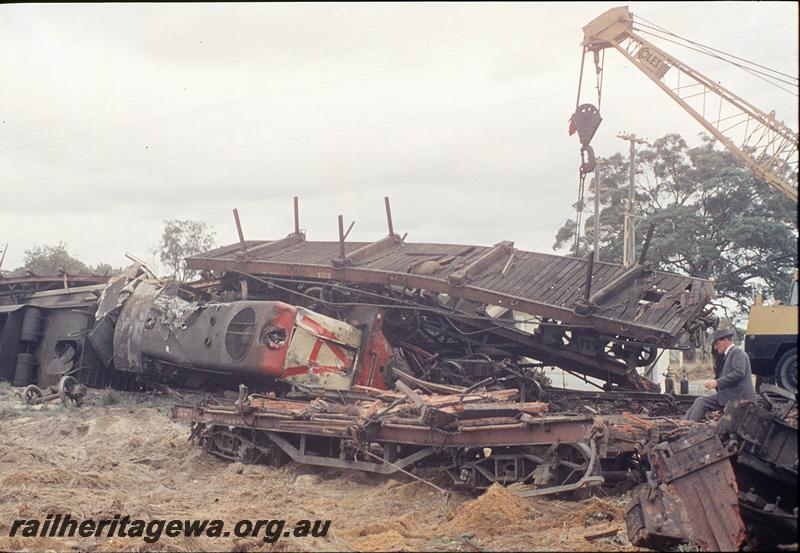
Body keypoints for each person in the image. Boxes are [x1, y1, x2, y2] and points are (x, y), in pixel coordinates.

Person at [684, 328, 755, 422]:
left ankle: (688, 426)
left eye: (717, 344)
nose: (716, 347)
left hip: (737, 397)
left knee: (701, 402)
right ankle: (684, 422)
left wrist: (717, 382)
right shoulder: (731, 354)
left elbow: (739, 373)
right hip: (732, 395)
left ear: (726, 340)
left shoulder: (737, 352)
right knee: (700, 401)